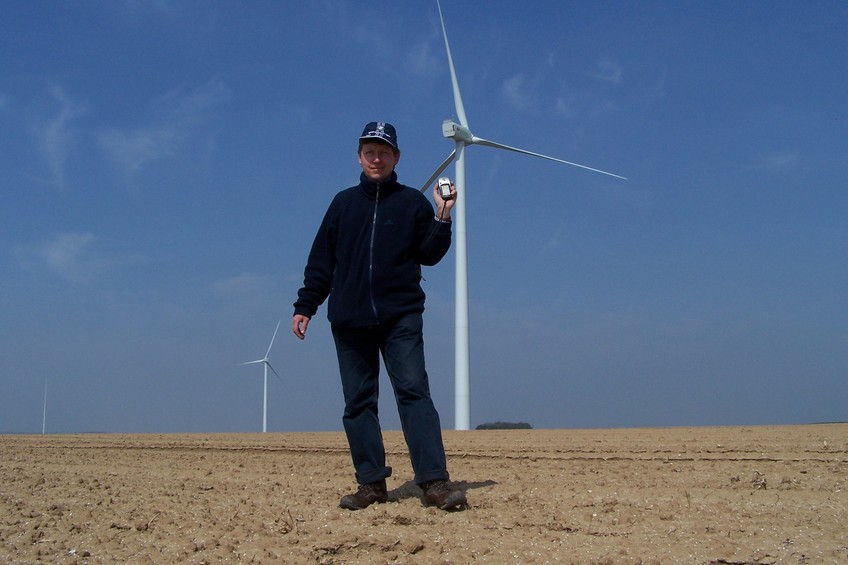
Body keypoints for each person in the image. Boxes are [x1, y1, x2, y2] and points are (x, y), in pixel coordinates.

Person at [291, 121, 467, 511]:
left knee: (414, 392)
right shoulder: (342, 204)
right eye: (370, 151)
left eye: (384, 152)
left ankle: (434, 482)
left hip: (400, 315)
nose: (376, 158)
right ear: (359, 156)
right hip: (350, 319)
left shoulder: (411, 203)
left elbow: (430, 254)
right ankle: (371, 484)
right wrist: (306, 305)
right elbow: (321, 259)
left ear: (396, 158)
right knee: (358, 403)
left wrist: (443, 216)